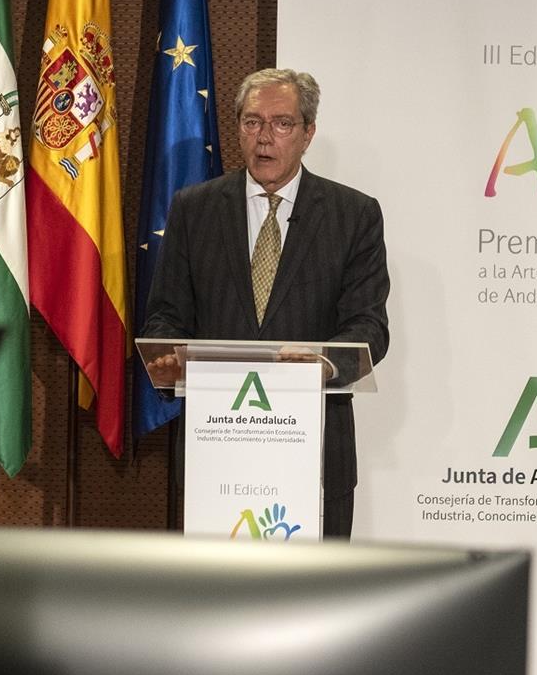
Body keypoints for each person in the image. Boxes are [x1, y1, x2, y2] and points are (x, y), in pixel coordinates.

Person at [142, 69, 390, 538]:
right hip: (218, 448)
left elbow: (369, 327)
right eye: (252, 122)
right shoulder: (194, 209)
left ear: (308, 133)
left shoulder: (353, 215)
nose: (264, 138)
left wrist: (322, 362)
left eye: (282, 124)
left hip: (314, 445)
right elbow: (165, 314)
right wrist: (170, 353)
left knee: (317, 605)